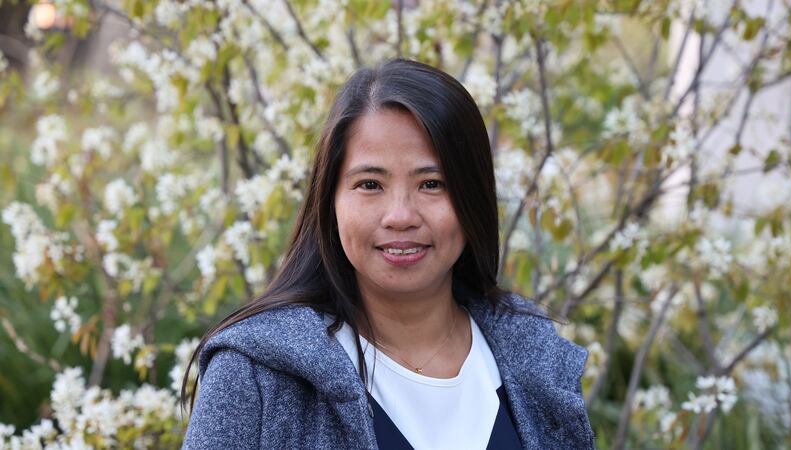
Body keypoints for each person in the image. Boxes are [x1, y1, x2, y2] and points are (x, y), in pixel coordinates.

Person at [181, 58, 594, 450]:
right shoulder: (255, 374)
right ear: (330, 201)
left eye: (432, 184)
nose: (400, 216)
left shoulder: (537, 360)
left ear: (474, 197)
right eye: (370, 185)